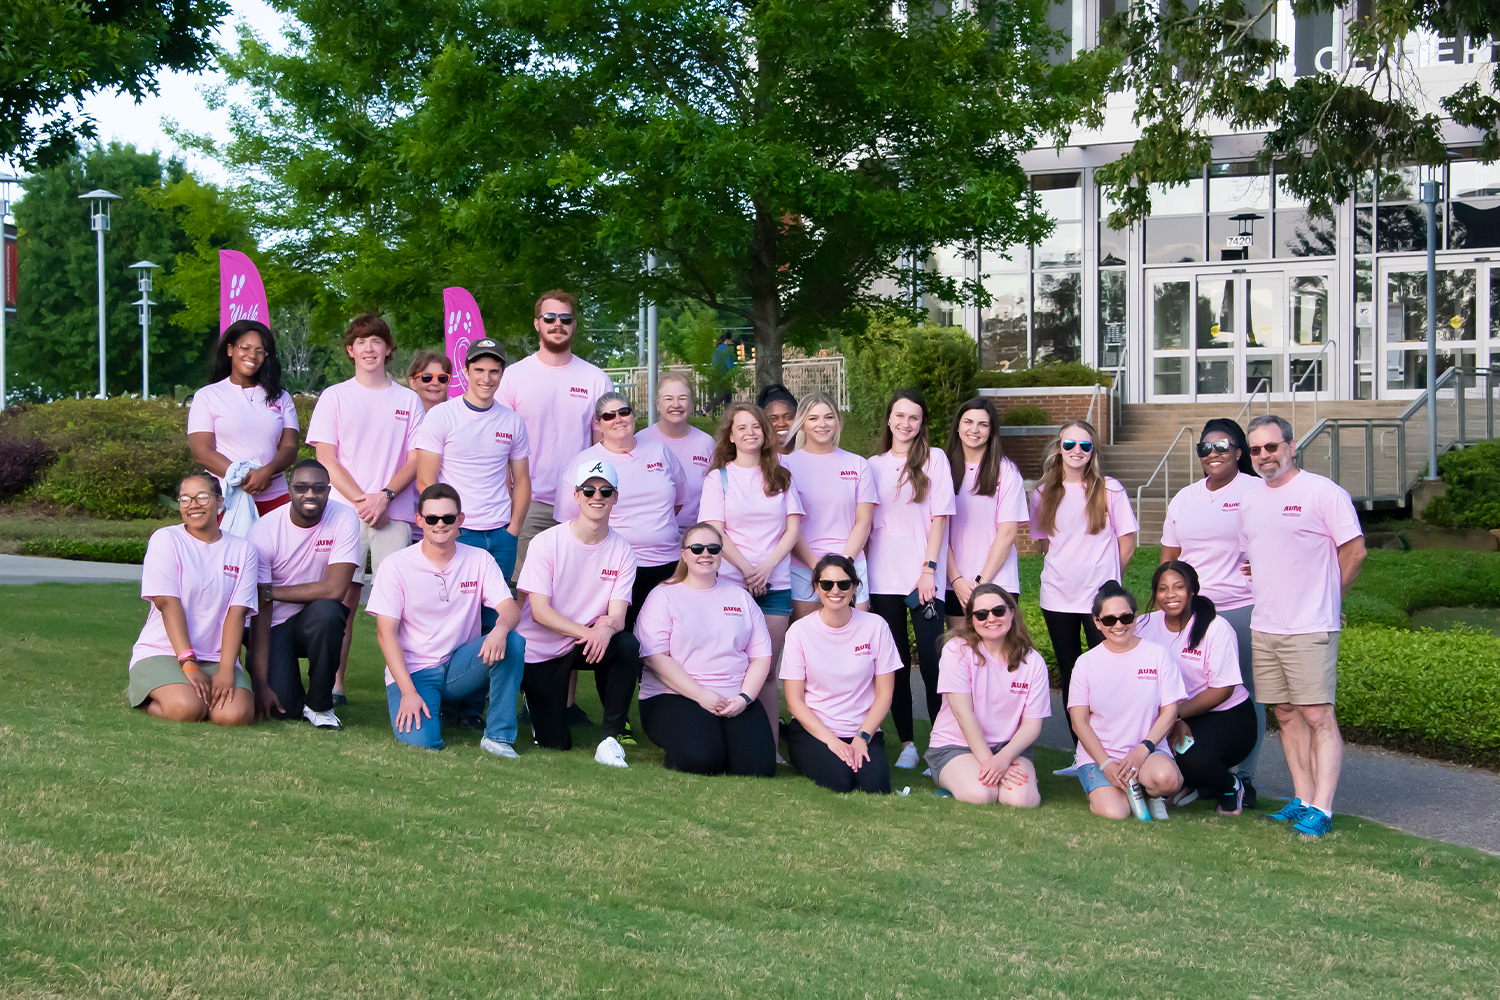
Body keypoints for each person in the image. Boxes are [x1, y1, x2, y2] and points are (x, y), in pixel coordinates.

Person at [1240, 413, 1366, 838]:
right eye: (1256, 449)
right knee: (1286, 713)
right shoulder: (1252, 498)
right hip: (1267, 625)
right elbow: (1257, 555)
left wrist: (1332, 598)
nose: (1264, 456)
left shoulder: (1322, 492)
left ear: (1291, 446)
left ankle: (1324, 809)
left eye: (1271, 447)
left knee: (1317, 714)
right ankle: (1302, 799)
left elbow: (1355, 552)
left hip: (1310, 625)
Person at [306, 314, 425, 706]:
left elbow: (415, 459)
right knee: (342, 602)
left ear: (389, 350)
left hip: (394, 514)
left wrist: (385, 496)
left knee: (402, 605)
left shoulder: (408, 400)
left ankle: (403, 683)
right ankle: (334, 684)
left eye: (377, 341)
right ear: (350, 350)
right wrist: (362, 500)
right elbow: (326, 457)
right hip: (345, 515)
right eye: (361, 341)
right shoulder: (335, 396)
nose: (370, 348)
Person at [366, 484, 527, 757]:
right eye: (431, 519)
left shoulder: (480, 559)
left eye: (448, 518)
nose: (440, 524)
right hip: (415, 672)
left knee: (512, 642)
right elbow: (386, 634)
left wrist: (500, 628)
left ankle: (498, 737)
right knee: (423, 743)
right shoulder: (396, 565)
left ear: (460, 520)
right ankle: (428, 705)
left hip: (459, 666)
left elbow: (510, 609)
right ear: (420, 521)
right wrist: (407, 692)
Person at [1159, 417, 1267, 806]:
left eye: (1222, 446)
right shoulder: (1185, 497)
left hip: (1240, 607)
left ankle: (1245, 777)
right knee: (1190, 688)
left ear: (1239, 452)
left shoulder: (1257, 490)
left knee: (1243, 694)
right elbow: (1170, 558)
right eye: (1205, 447)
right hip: (1190, 612)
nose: (1213, 453)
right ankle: (1202, 767)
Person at [515, 458, 642, 768]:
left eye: (604, 491)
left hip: (585, 645)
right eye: (588, 490)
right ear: (576, 496)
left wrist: (606, 628)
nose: (596, 497)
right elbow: (540, 612)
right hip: (541, 649)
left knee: (626, 646)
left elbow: (618, 616)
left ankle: (610, 740)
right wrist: (593, 631)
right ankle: (537, 708)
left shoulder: (623, 550)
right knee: (554, 745)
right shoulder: (547, 542)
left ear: (615, 497)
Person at [1029, 419, 1138, 760]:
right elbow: (1046, 543)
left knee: (1107, 675)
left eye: (1085, 446)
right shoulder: (1043, 492)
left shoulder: (1110, 489)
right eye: (1070, 444)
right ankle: (1082, 758)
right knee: (1071, 672)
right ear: (1058, 449)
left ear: (1093, 452)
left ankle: (1114, 752)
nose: (1077, 451)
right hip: (1057, 597)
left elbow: (1128, 543)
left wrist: (1109, 582)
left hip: (1100, 602)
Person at [634, 524, 778, 777]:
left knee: (758, 768)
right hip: (675, 695)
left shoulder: (740, 597)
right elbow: (655, 659)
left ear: (721, 555)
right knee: (702, 760)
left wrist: (744, 699)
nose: (705, 554)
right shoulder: (663, 596)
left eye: (713, 548)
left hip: (733, 696)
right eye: (697, 548)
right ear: (684, 554)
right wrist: (700, 695)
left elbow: (761, 657)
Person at [701, 402, 804, 746]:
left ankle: (770, 747)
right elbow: (715, 532)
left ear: (766, 433)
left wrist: (766, 568)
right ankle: (725, 738)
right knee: (729, 665)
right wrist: (747, 570)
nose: (750, 433)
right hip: (731, 583)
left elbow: (791, 531)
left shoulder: (780, 475)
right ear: (731, 435)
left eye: (756, 427)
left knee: (766, 670)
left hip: (775, 583)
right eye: (741, 427)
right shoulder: (719, 478)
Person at [865, 388, 956, 770]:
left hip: (924, 581)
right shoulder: (871, 464)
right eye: (899, 416)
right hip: (882, 579)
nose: (906, 423)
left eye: (914, 418)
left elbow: (940, 519)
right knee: (895, 664)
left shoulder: (934, 460)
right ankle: (907, 743)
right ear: (889, 419)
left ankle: (941, 744)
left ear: (922, 424)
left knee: (936, 664)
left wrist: (928, 570)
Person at [498, 289, 615, 579]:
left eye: (566, 318)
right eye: (549, 317)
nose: (557, 323)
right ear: (537, 323)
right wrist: (508, 491)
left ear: (574, 325)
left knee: (576, 584)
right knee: (523, 586)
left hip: (580, 500)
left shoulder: (595, 379)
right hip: (528, 501)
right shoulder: (513, 376)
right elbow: (498, 441)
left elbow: (604, 443)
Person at [126, 474, 257, 726]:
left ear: (220, 501)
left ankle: (197, 694)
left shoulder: (243, 550)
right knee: (186, 709)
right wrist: (188, 663)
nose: (192, 504)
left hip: (217, 657)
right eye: (185, 499)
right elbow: (167, 603)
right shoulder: (166, 539)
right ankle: (152, 696)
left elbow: (236, 613)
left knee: (234, 715)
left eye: (202, 497)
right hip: (164, 652)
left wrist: (227, 670)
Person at [553, 390, 689, 630]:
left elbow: (677, 502)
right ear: (598, 424)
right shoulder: (583, 462)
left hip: (667, 564)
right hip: (613, 567)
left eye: (624, 412)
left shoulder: (661, 452)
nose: (618, 419)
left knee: (668, 638)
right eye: (609, 415)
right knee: (620, 641)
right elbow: (568, 520)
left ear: (634, 416)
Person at [246, 459, 360, 729]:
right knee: (282, 709)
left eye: (319, 488)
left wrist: (271, 592)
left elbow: (335, 588)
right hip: (272, 624)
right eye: (302, 487)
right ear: (289, 490)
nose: (310, 494)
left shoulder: (344, 517)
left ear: (329, 491)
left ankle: (320, 705)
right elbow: (261, 611)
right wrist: (261, 684)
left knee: (329, 611)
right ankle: (291, 694)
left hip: (312, 619)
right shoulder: (263, 532)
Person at [1136, 561, 1256, 815]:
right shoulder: (1144, 625)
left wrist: (1175, 715)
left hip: (1226, 715)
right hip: (1171, 712)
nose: (1170, 595)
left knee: (1192, 760)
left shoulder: (1215, 628)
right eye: (1162, 588)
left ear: (1193, 591)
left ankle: (1229, 786)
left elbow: (1222, 690)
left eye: (1179, 587)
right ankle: (1192, 785)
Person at [414, 338, 532, 587]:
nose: (486, 379)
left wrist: (514, 528)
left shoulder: (512, 421)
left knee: (495, 616)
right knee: (456, 611)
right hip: (459, 533)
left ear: (502, 374)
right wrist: (447, 524)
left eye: (494, 372)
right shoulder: (442, 416)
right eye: (479, 370)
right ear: (465, 371)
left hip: (502, 535)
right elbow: (426, 480)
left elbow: (522, 479)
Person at [780, 555, 902, 794]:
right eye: (827, 584)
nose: (835, 590)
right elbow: (794, 702)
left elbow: (885, 695)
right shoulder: (799, 631)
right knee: (840, 782)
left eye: (843, 584)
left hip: (861, 730)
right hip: (814, 731)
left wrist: (862, 737)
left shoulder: (876, 626)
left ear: (855, 586)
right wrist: (832, 741)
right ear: (816, 587)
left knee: (874, 786)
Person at [1068, 581, 1187, 820]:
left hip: (1146, 753)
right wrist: (1106, 765)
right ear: (1097, 622)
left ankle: (1151, 793)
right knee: (1116, 812)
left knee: (1167, 780)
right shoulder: (1086, 663)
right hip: (1100, 757)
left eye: (1126, 617)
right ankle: (1123, 793)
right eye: (1109, 620)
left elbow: (1170, 712)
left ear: (1135, 617)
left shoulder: (1157, 655)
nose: (1119, 625)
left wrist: (1142, 750)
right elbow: (1079, 722)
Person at [927, 586, 1049, 807]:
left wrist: (1003, 759)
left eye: (999, 611)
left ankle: (992, 778)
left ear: (1012, 612)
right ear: (971, 620)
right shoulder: (956, 650)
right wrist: (989, 763)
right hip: (956, 745)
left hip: (1007, 747)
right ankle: (953, 780)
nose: (991, 618)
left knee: (1023, 800)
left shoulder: (1033, 662)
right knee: (982, 794)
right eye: (981, 615)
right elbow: (963, 713)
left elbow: (1032, 724)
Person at [188, 319, 301, 516]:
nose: (252, 355)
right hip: (226, 497)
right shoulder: (207, 396)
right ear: (230, 349)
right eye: (245, 348)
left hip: (275, 497)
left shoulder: (281, 397)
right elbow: (201, 451)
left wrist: (267, 471)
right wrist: (244, 477)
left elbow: (290, 447)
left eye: (260, 351)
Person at [782, 391, 877, 621]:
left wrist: (844, 565)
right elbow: (788, 525)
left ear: (837, 421)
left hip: (851, 566)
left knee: (854, 639)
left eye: (829, 417)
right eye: (813, 418)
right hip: (804, 570)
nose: (822, 424)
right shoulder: (785, 466)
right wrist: (819, 568)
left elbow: (863, 521)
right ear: (802, 424)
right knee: (808, 643)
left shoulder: (858, 464)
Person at [943, 398, 1028, 629]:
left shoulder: (1006, 470)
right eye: (968, 422)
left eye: (983, 424)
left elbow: (1008, 532)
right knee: (962, 653)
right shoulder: (943, 468)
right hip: (954, 585)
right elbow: (938, 530)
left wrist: (982, 583)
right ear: (958, 426)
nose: (974, 429)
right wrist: (957, 580)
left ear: (991, 431)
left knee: (999, 654)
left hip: (998, 581)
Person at [637, 372, 715, 527]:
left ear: (691, 404)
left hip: (697, 540)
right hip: (653, 538)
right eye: (668, 399)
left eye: (682, 398)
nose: (676, 404)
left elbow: (718, 495)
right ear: (657, 404)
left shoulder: (706, 443)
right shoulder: (640, 441)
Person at [756, 383, 798, 455]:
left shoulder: (808, 456)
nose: (781, 424)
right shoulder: (756, 459)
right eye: (773, 419)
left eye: (788, 417)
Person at [704, 331, 736, 414]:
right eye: (731, 339)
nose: (732, 341)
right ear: (727, 340)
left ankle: (728, 414)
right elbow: (730, 364)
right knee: (721, 396)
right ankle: (705, 410)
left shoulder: (717, 349)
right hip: (723, 376)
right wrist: (737, 371)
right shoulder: (726, 350)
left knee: (728, 395)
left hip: (716, 375)